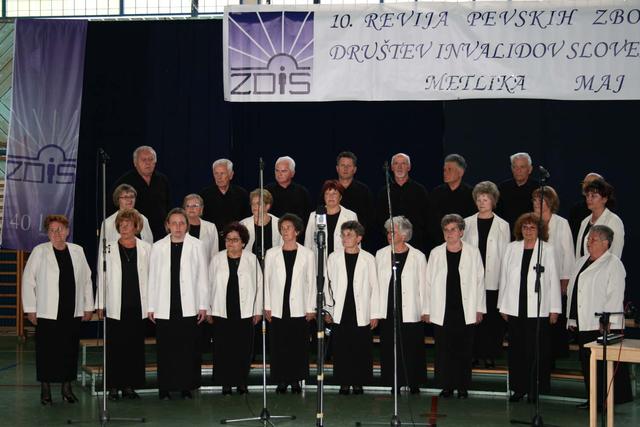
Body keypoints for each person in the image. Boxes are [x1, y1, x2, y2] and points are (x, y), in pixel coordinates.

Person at [22, 215, 93, 405]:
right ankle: (45, 390)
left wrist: (88, 306)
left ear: (67, 231)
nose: (56, 233)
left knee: (69, 351)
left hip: (72, 311)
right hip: (47, 311)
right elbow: (28, 281)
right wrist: (30, 309)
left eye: (60, 229)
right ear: (47, 233)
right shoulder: (39, 251)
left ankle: (67, 389)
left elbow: (87, 280)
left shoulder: (78, 251)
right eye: (52, 230)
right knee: (47, 352)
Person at [566, 225, 632, 409]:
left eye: (593, 240)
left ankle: (607, 401)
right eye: (588, 239)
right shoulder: (581, 261)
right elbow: (573, 291)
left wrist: (608, 320)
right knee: (587, 363)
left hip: (602, 323)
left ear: (606, 243)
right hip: (584, 320)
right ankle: (593, 399)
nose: (588, 243)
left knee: (604, 365)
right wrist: (571, 318)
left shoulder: (613, 263)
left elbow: (615, 294)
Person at [498, 213, 561, 402]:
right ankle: (519, 388)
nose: (528, 231)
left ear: (539, 230)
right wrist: (502, 305)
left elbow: (553, 279)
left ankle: (535, 389)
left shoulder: (547, 249)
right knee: (517, 350)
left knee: (536, 351)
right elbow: (504, 277)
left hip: (538, 309)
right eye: (525, 227)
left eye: (532, 227)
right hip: (515, 307)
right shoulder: (511, 248)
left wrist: (555, 309)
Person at [148, 208, 209, 400]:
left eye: (182, 223)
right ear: (167, 225)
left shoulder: (197, 245)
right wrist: (151, 306)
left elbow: (203, 277)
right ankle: (165, 388)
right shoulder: (158, 247)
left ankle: (186, 387)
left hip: (189, 305)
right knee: (166, 348)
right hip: (164, 305)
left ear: (187, 225)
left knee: (187, 348)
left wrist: (203, 305)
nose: (178, 227)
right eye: (173, 223)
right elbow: (152, 278)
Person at [425, 214, 485, 399]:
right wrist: (427, 310)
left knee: (464, 349)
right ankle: (446, 386)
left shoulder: (473, 252)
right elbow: (428, 283)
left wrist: (479, 308)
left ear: (461, 232)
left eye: (453, 229)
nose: (449, 233)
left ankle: (462, 386)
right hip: (441, 309)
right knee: (443, 350)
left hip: (465, 309)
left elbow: (480, 281)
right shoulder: (435, 253)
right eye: (446, 230)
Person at [96, 209, 151, 400]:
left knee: (134, 347)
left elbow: (152, 277)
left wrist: (152, 306)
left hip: (138, 305)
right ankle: (113, 386)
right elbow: (101, 277)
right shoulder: (108, 247)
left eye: (128, 224)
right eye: (121, 224)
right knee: (115, 348)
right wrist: (100, 303)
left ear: (136, 227)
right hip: (114, 306)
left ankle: (129, 386)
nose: (124, 227)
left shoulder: (146, 248)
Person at [325, 221, 380, 395]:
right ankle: (343, 382)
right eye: (343, 235)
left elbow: (375, 287)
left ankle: (358, 382)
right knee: (341, 348)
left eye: (349, 235)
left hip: (361, 310)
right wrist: (328, 309)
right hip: (340, 310)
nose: (345, 238)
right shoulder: (333, 257)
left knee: (360, 348)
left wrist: (375, 314)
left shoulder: (368, 258)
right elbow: (327, 285)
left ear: (359, 238)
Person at [263, 214, 316, 393]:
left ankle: (295, 380)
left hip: (299, 307)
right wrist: (267, 305)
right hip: (278, 306)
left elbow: (312, 282)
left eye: (288, 228)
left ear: (297, 231)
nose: (285, 231)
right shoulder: (271, 254)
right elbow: (266, 281)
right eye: (282, 228)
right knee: (279, 345)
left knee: (297, 345)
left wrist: (311, 307)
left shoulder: (308, 254)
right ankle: (281, 380)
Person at [375, 216, 428, 394]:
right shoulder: (380, 254)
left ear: (404, 234)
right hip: (387, 308)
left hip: (411, 308)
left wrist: (425, 310)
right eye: (388, 232)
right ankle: (394, 382)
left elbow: (424, 284)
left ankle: (413, 381)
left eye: (393, 232)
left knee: (412, 346)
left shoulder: (418, 256)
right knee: (390, 346)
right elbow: (375, 284)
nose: (389, 235)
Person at [209, 222, 262, 395]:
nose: (231, 243)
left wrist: (257, 310)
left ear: (243, 242)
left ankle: (241, 382)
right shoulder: (216, 259)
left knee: (242, 348)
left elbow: (260, 285)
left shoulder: (251, 259)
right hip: (221, 309)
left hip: (245, 310)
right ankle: (225, 383)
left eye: (235, 239)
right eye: (228, 239)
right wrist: (208, 310)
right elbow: (209, 285)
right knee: (223, 348)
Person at [463, 181, 510, 368]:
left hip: (493, 278)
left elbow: (505, 254)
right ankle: (473, 354)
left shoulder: (503, 225)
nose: (482, 203)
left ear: (493, 201)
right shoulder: (467, 223)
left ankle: (490, 354)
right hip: (472, 277)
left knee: (491, 320)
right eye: (479, 199)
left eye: (486, 199)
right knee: (473, 317)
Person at [531, 186, 575, 361]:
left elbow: (568, 254)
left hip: (556, 279)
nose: (536, 203)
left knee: (553, 319)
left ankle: (553, 357)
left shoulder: (561, 223)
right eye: (534, 200)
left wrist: (565, 280)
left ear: (550, 202)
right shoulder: (530, 222)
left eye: (540, 200)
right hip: (535, 280)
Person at [112, 146, 170, 240]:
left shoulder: (162, 180)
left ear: (155, 162)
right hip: (136, 231)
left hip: (161, 232)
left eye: (151, 159)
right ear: (135, 163)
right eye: (144, 160)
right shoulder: (124, 182)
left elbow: (168, 205)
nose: (148, 163)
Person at [375, 153, 430, 252]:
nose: (399, 167)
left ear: (409, 167)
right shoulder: (384, 192)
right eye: (396, 164)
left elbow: (426, 218)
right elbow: (379, 220)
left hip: (415, 243)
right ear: (392, 168)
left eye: (403, 163)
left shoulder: (420, 191)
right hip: (390, 243)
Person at [199, 159, 250, 251]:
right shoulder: (205, 195)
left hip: (235, 241)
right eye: (216, 173)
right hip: (212, 241)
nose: (219, 177)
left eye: (222, 173)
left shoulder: (242, 194)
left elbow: (246, 220)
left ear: (231, 175)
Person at [429, 154, 476, 247]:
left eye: (449, 169)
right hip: (440, 244)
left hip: (464, 244)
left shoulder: (471, 194)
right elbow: (431, 221)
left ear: (461, 172)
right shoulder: (436, 193)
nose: (445, 173)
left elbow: (472, 223)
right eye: (444, 170)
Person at [328, 152, 374, 246]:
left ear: (355, 169)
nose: (345, 169)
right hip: (331, 240)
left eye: (349, 166)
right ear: (337, 168)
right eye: (342, 165)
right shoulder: (328, 189)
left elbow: (370, 219)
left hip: (358, 240)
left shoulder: (364, 191)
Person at [305, 180, 358, 259]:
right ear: (324, 197)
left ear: (340, 197)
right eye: (327, 193)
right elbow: (308, 243)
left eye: (334, 193)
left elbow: (356, 243)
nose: (331, 196)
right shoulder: (314, 215)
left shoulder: (351, 216)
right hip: (319, 261)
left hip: (343, 261)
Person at [99, 184, 153, 259]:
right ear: (118, 200)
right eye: (125, 197)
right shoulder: (108, 223)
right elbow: (102, 251)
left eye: (132, 196)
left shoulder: (143, 219)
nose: (129, 200)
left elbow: (150, 244)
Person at [575, 178, 624, 259]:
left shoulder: (614, 221)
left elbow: (616, 254)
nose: (589, 199)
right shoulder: (584, 221)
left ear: (604, 199)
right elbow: (579, 253)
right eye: (587, 195)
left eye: (593, 196)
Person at [266, 156, 313, 235]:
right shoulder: (267, 191)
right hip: (272, 234)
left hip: (296, 235)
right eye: (277, 170)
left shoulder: (302, 192)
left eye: (283, 171)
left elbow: (307, 217)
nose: (279, 174)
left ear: (292, 173)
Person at [496, 152, 539, 233]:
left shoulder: (538, 188)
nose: (518, 170)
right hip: (506, 232)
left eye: (522, 167)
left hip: (530, 233)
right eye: (515, 167)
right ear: (511, 169)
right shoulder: (502, 188)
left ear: (530, 169)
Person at [240, 189, 282, 260]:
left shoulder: (279, 223)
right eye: (252, 204)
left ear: (268, 206)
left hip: (273, 263)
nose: (254, 206)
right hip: (249, 263)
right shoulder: (243, 225)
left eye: (258, 203)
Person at [183, 193, 219, 263]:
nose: (191, 208)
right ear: (184, 209)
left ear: (201, 208)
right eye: (188, 206)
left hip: (205, 267)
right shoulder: (179, 226)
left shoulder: (210, 227)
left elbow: (214, 253)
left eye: (195, 206)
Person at [568, 172, 604, 243]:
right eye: (584, 183)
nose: (585, 185)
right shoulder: (576, 209)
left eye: (589, 183)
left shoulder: (606, 212)